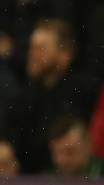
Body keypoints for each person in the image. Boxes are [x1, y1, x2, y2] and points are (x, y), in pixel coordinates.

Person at [9, 19, 100, 173]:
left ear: (65, 54)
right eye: (32, 48)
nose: (33, 55)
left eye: (41, 49)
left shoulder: (86, 91)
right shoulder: (26, 94)